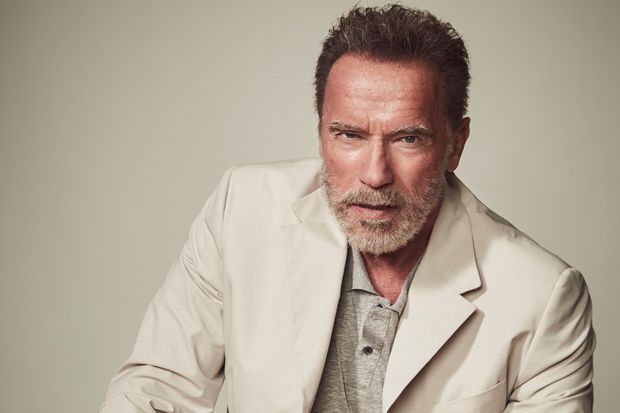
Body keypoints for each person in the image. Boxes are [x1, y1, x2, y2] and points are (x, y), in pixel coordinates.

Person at [99, 4, 595, 413]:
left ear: (455, 144)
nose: (375, 174)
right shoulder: (242, 210)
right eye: (350, 135)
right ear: (321, 133)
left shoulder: (542, 296)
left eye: (408, 138)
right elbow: (157, 388)